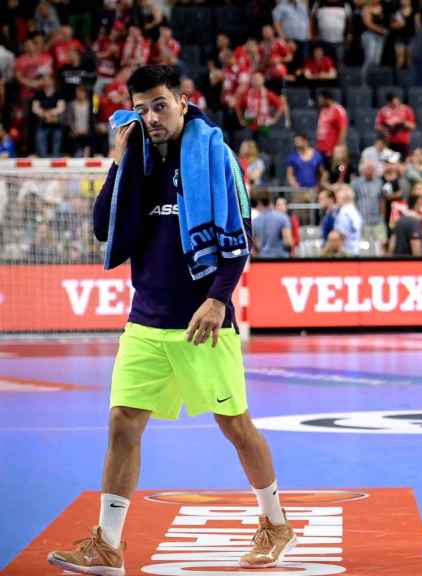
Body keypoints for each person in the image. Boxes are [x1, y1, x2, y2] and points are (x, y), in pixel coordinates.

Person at [46, 65, 294, 576]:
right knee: (123, 422)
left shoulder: (215, 156)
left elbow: (239, 237)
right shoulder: (136, 159)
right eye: (141, 108)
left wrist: (219, 300)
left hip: (202, 321)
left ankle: (275, 521)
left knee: (236, 427)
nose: (151, 117)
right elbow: (101, 227)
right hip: (146, 320)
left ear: (183, 100)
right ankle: (108, 545)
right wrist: (117, 163)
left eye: (159, 104)